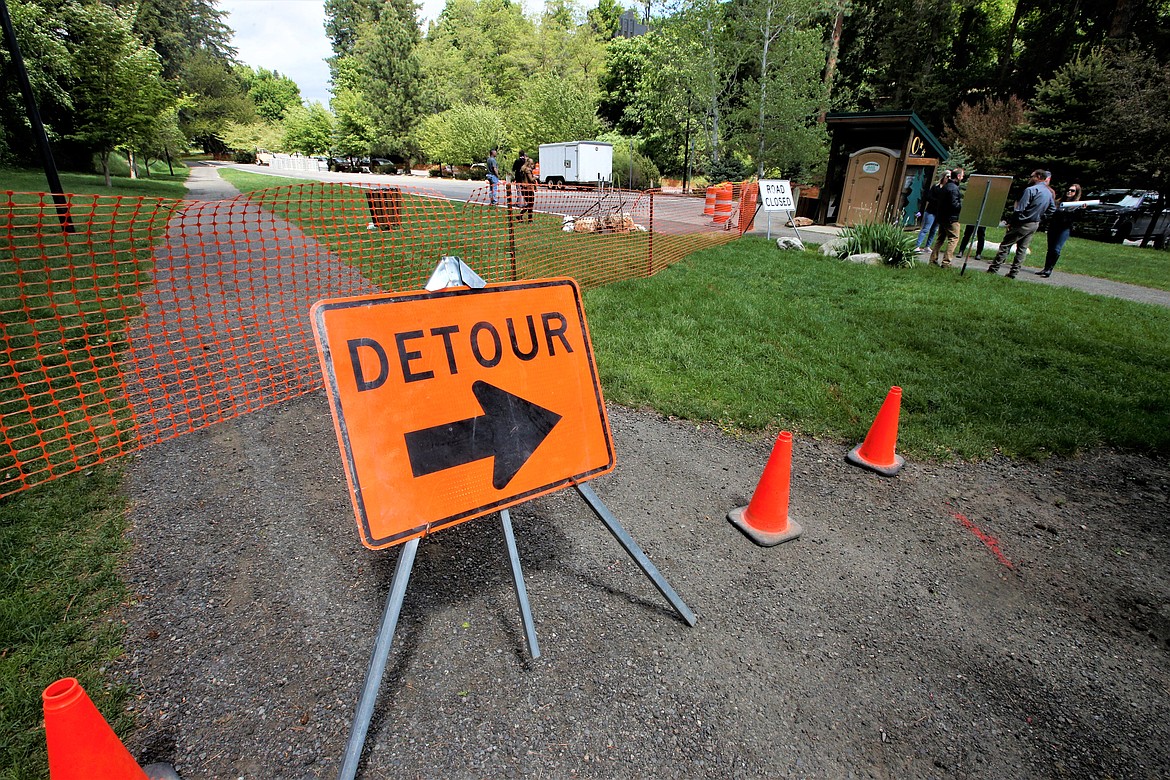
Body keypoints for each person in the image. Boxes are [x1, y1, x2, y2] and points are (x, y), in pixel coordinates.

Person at [987, 169, 1057, 278]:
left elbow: (1020, 209)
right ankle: (1014, 272)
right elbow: (1052, 209)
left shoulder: (1031, 190)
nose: (1030, 179)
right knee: (1022, 249)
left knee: (1006, 245)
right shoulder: (1048, 192)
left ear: (1038, 177)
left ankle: (993, 269)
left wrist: (1012, 223)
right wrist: (1041, 217)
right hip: (1034, 224)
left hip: (1022, 223)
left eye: (1032, 176)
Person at [1038, 183, 1083, 277]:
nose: (1069, 192)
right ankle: (1046, 268)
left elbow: (1077, 218)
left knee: (1056, 249)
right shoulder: (1058, 202)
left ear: (1076, 193)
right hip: (1053, 227)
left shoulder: (1077, 205)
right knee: (1050, 249)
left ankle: (1049, 269)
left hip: (1064, 229)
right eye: (1068, 190)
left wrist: (1081, 210)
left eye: (1072, 190)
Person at [928, 167, 964, 268]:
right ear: (958, 176)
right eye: (962, 175)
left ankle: (933, 259)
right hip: (951, 218)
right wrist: (961, 206)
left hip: (942, 217)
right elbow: (954, 204)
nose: (963, 177)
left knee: (940, 238)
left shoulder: (945, 187)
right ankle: (946, 262)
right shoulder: (954, 188)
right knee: (953, 238)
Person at [915, 170, 950, 251]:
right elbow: (928, 197)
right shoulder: (936, 187)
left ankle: (927, 246)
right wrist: (937, 201)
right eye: (947, 177)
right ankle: (917, 245)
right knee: (926, 228)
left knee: (934, 230)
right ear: (943, 177)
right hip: (931, 211)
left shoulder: (947, 188)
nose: (948, 179)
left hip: (939, 213)